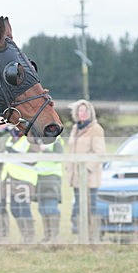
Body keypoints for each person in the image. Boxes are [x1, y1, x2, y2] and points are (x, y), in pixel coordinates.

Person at [66, 99, 106, 241]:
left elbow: (99, 153)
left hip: (89, 177)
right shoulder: (76, 128)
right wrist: (70, 169)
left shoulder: (96, 129)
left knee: (90, 207)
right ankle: (80, 235)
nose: (82, 113)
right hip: (76, 177)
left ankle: (93, 236)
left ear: (90, 112)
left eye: (85, 111)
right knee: (77, 206)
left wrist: (86, 169)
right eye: (80, 111)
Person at [1, 132, 39, 243]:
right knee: (15, 209)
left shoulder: (31, 138)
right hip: (11, 178)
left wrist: (14, 153)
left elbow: (33, 160)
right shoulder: (11, 138)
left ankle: (30, 237)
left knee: (24, 209)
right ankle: (24, 236)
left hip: (25, 180)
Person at [33, 137, 64, 243]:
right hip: (39, 177)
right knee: (42, 208)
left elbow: (59, 157)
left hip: (52, 178)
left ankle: (55, 237)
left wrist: (45, 150)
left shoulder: (56, 140)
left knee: (51, 207)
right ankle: (47, 236)